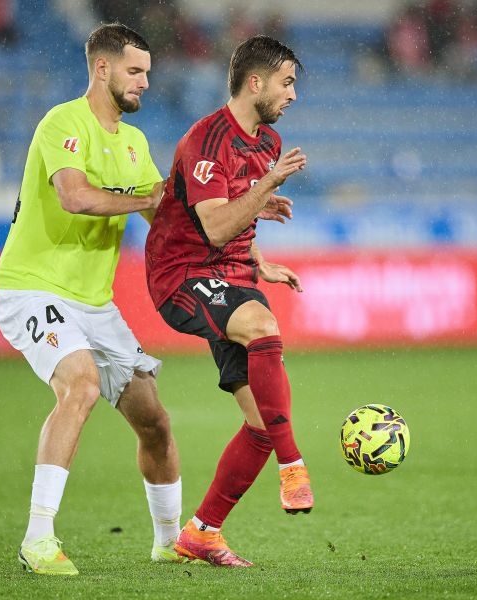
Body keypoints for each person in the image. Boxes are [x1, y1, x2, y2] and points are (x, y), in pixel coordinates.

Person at [0, 23, 184, 575]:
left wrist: (235, 220)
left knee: (155, 422)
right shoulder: (63, 122)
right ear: (102, 69)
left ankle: (171, 541)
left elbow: (163, 216)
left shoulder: (134, 143)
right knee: (77, 384)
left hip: (94, 305)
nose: (145, 82)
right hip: (30, 288)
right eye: (134, 71)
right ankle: (38, 539)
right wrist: (143, 197)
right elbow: (74, 197)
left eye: (147, 71)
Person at [145, 35, 311, 567]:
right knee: (262, 325)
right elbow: (215, 226)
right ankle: (294, 467)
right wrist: (267, 185)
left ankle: (202, 533)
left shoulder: (266, 141)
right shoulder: (206, 140)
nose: (292, 95)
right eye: (287, 83)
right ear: (255, 82)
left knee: (262, 421)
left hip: (231, 272)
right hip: (182, 274)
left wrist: (258, 255)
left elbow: (236, 214)